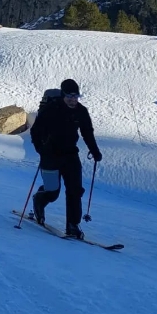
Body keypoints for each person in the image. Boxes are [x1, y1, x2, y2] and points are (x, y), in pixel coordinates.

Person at [30, 79, 102, 239]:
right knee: (52, 192)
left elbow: (87, 132)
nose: (73, 99)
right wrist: (40, 149)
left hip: (70, 155)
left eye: (76, 96)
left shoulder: (81, 111)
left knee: (75, 190)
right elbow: (35, 131)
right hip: (50, 154)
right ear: (63, 95)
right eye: (69, 96)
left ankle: (73, 225)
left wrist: (95, 151)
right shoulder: (51, 109)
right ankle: (39, 199)